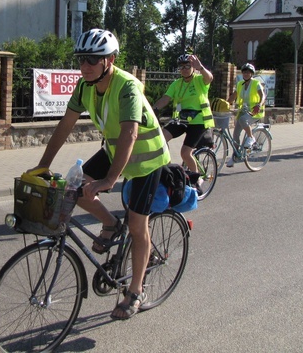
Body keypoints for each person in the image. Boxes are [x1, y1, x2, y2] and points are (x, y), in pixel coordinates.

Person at [31, 29, 170, 320]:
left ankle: (135, 291)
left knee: (137, 224)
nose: (85, 65)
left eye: (93, 59)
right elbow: (65, 126)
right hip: (114, 153)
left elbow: (130, 133)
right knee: (74, 188)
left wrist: (108, 181)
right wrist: (43, 165)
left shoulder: (128, 87)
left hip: (147, 160)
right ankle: (109, 223)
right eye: (82, 58)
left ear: (110, 60)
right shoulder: (84, 87)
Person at [152, 53, 214, 174]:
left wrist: (200, 67)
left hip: (198, 122)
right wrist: (152, 110)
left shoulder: (199, 80)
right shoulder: (176, 84)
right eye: (181, 67)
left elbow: (209, 78)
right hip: (182, 120)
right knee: (160, 139)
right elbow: (165, 98)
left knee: (185, 153)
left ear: (193, 67)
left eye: (187, 66)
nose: (184, 69)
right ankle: (169, 170)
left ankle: (195, 179)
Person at [226, 63, 265, 167]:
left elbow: (263, 95)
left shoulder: (256, 83)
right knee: (235, 135)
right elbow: (233, 97)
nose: (246, 74)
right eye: (244, 72)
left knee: (243, 120)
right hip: (243, 111)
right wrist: (223, 104)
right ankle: (235, 156)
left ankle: (251, 137)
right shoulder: (240, 84)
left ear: (251, 74)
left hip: (255, 111)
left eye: (248, 72)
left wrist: (259, 105)